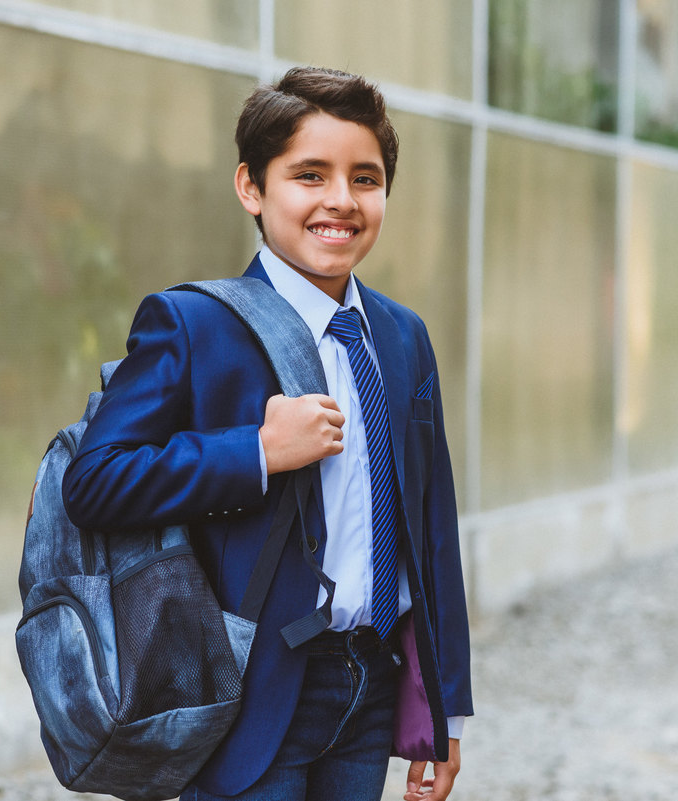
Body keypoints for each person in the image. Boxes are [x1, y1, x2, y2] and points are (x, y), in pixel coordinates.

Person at [63, 66, 472, 801]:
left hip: (369, 686)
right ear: (251, 187)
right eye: (309, 175)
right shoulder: (195, 324)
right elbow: (94, 481)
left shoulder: (403, 336)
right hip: (250, 689)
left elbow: (431, 529)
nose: (340, 201)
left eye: (366, 178)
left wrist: (444, 711)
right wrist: (255, 451)